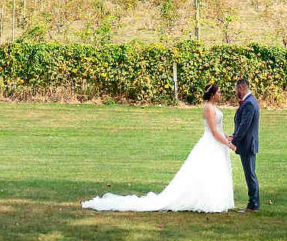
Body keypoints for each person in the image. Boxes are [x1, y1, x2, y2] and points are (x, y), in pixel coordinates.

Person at [81, 82, 237, 212]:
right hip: (211, 143)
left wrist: (227, 136)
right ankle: (206, 201)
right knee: (204, 172)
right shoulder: (208, 108)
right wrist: (229, 144)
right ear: (212, 94)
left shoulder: (213, 107)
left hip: (216, 143)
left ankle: (214, 199)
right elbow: (214, 131)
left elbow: (219, 130)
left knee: (213, 171)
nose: (220, 94)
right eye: (219, 92)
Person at [232, 78, 260, 211]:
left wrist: (234, 141)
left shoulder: (249, 103)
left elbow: (244, 125)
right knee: (250, 174)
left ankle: (253, 204)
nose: (235, 91)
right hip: (248, 143)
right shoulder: (251, 101)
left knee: (250, 175)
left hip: (248, 145)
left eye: (236, 89)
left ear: (241, 88)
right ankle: (253, 203)